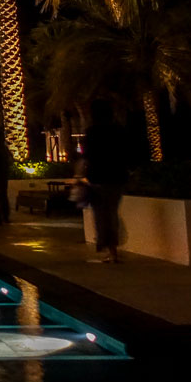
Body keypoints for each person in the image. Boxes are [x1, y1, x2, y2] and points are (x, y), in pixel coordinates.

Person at [84, 101, 129, 263]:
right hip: (117, 178)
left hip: (99, 179)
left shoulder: (92, 132)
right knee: (111, 213)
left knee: (101, 216)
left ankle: (109, 250)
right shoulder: (119, 131)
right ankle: (113, 251)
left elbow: (88, 156)